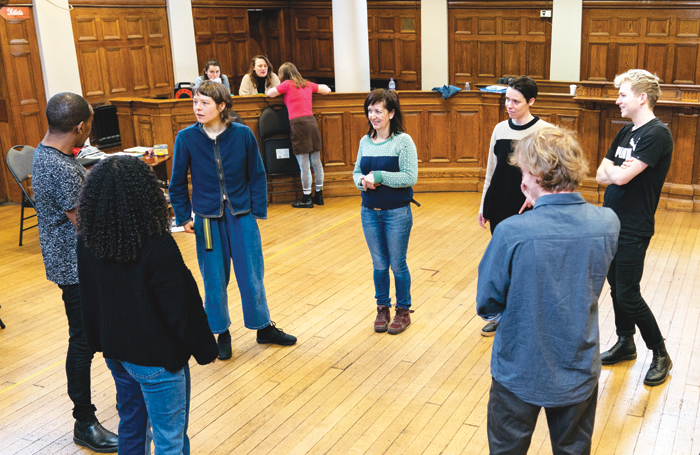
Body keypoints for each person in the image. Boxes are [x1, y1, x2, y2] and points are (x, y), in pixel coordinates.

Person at [477, 127, 620, 455]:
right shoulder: (607, 223)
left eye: (524, 170)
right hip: (578, 366)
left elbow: (487, 303)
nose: (521, 178)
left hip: (519, 368)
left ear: (538, 175)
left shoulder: (512, 231)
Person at [77, 156, 218, 454]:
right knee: (169, 438)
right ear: (146, 196)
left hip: (117, 354)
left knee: (131, 425)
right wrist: (206, 350)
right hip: (157, 360)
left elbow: (88, 300)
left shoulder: (87, 241)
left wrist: (99, 343)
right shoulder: (157, 245)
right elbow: (183, 306)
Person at [169, 80, 296, 362]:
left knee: (252, 274)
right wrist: (183, 216)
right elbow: (177, 183)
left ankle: (263, 327)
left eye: (204, 103)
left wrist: (255, 211)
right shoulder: (186, 138)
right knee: (214, 279)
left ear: (222, 106)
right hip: (206, 220)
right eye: (195, 102)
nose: (198, 108)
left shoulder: (242, 134)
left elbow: (257, 174)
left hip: (241, 216)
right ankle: (221, 333)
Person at [32, 92, 118, 453]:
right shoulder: (62, 168)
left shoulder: (46, 151)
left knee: (93, 334)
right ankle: (84, 421)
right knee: (82, 340)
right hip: (75, 266)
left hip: (68, 261)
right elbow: (85, 223)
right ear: (80, 126)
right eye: (89, 126)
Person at [596, 69, 673, 386]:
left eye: (623, 95)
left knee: (628, 293)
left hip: (634, 226)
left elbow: (621, 177)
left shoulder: (657, 134)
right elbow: (602, 174)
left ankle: (660, 353)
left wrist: (617, 170)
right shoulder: (626, 132)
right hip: (610, 221)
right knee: (616, 287)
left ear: (642, 98)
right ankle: (625, 342)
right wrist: (617, 170)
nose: (617, 100)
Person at [477, 75, 552, 337]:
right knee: (502, 263)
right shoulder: (499, 129)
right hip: (499, 203)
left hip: (528, 208)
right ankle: (501, 316)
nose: (509, 105)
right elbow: (491, 171)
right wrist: (483, 204)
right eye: (507, 99)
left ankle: (527, 317)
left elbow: (552, 177)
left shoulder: (545, 131)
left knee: (528, 265)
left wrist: (537, 200)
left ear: (531, 101)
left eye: (516, 101)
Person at [353, 89, 418, 335]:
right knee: (379, 264)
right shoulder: (364, 141)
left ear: (391, 113)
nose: (373, 115)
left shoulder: (403, 141)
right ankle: (383, 308)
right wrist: (363, 182)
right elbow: (356, 172)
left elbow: (410, 177)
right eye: (370, 111)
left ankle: (403, 311)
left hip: (397, 213)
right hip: (369, 212)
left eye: (378, 111)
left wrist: (379, 176)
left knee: (397, 264)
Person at [266, 62, 331, 208]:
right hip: (311, 122)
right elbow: (326, 90)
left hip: (298, 124)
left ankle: (306, 197)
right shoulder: (307, 84)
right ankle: (319, 195)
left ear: (283, 75)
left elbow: (269, 94)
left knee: (304, 163)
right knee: (316, 161)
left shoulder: (287, 84)